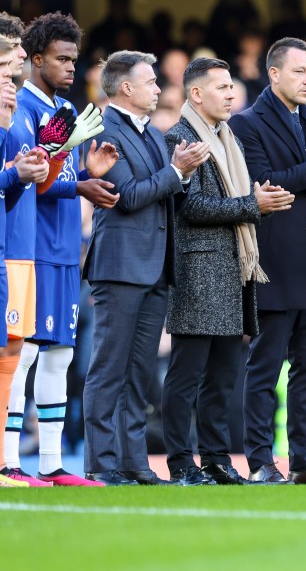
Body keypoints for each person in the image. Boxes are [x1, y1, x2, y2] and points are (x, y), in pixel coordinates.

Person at [161, 57, 294, 486]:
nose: (231, 93)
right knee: (186, 376)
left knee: (221, 378)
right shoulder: (179, 139)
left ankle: (216, 459)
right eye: (221, 87)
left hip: (231, 271)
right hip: (198, 273)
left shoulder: (228, 139)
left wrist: (255, 201)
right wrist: (253, 206)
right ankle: (181, 462)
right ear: (196, 93)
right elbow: (192, 208)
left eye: (232, 86)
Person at [229, 37, 306, 485]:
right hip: (275, 263)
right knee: (265, 367)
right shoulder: (246, 124)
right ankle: (261, 460)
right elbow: (267, 186)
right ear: (274, 74)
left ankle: (304, 460)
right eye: (299, 71)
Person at [2, 12, 120, 488]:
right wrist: (68, 171)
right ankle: (9, 460)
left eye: (75, 59)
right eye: (62, 59)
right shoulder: (23, 107)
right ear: (34, 59)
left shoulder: (63, 110)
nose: (71, 67)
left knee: (59, 356)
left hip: (63, 248)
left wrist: (84, 172)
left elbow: (53, 179)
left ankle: (50, 463)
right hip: (29, 246)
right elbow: (32, 180)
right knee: (23, 353)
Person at [83, 50, 210, 486]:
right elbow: (127, 196)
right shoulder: (101, 127)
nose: (159, 87)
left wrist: (185, 174)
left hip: (154, 267)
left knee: (139, 373)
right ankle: (102, 463)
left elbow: (165, 193)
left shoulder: (153, 133)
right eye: (151, 81)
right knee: (108, 368)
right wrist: (177, 171)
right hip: (119, 267)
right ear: (126, 88)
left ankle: (134, 462)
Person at [0, 32, 50, 488]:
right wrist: (17, 172)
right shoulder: (20, 106)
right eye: (12, 48)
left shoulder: (19, 107)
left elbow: (40, 174)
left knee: (14, 350)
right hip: (13, 245)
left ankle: (8, 462)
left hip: (22, 245)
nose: (19, 55)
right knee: (12, 352)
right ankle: (8, 461)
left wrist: (53, 155)